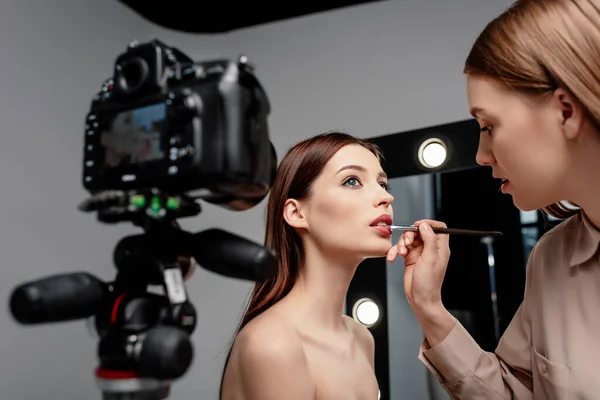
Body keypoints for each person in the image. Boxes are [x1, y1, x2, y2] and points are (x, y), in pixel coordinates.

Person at [386, 0, 600, 398]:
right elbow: (515, 391)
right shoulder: (552, 258)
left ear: (566, 111)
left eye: (488, 125)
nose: (481, 155)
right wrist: (429, 307)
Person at [219, 132, 394, 400]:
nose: (385, 197)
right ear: (296, 213)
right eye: (352, 181)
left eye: (383, 184)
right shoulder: (274, 343)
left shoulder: (360, 337)